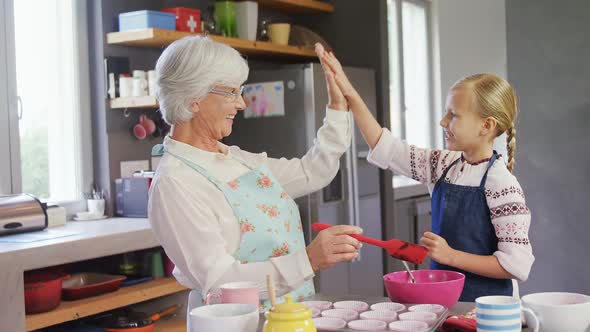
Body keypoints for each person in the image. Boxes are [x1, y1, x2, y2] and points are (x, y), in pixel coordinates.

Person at [147, 36, 363, 318]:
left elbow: (313, 171)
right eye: (232, 92)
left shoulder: (236, 158)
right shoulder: (175, 183)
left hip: (291, 316)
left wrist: (337, 106)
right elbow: (219, 281)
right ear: (194, 98)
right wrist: (308, 260)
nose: (241, 104)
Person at [316, 44, 534, 301]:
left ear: (486, 125)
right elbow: (387, 147)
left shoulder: (502, 185)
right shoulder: (443, 164)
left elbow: (516, 266)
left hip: (487, 312)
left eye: (453, 115)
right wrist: (349, 92)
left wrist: (450, 255)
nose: (443, 121)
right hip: (442, 304)